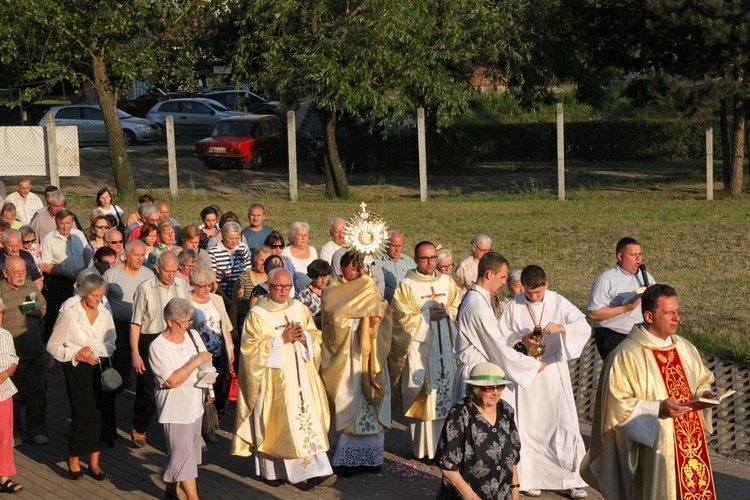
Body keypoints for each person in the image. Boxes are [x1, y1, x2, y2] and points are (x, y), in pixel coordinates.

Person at [581, 284, 718, 500]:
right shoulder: (625, 356)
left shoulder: (685, 348)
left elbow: (701, 379)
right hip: (654, 451)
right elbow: (616, 406)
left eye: (677, 311)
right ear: (649, 316)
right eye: (668, 313)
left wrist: (704, 394)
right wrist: (658, 408)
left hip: (692, 448)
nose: (677, 318)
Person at [231, 268, 336, 489]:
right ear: (268, 286)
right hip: (274, 380)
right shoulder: (257, 315)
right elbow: (249, 350)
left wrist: (304, 336)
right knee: (279, 426)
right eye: (278, 287)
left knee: (307, 422)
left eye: (287, 287)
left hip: (302, 377)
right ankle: (273, 472)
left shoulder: (299, 308)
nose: (283, 291)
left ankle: (316, 472)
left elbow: (316, 337)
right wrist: (280, 340)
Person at [497, 265, 590, 498]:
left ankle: (571, 479)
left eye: (537, 293)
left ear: (546, 284)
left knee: (563, 424)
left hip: (551, 368)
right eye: (529, 293)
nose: (533, 297)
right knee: (528, 425)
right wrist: (522, 337)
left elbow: (582, 325)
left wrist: (562, 327)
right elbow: (501, 336)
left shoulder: (558, 302)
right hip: (527, 370)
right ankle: (531, 478)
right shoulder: (515, 304)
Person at [320, 251, 395, 474]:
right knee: (347, 400)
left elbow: (382, 310)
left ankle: (371, 459)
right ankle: (345, 460)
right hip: (347, 355)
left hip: (369, 355)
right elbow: (333, 317)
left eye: (360, 266)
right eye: (353, 267)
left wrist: (372, 316)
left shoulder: (368, 286)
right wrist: (357, 314)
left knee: (371, 403)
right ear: (342, 269)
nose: (358, 271)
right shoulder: (332, 290)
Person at [390, 241, 461, 462]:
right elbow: (400, 320)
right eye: (424, 258)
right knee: (425, 396)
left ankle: (447, 446)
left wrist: (449, 311)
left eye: (432, 258)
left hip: (446, 349)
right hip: (422, 351)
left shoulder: (447, 282)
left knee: (447, 395)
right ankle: (425, 449)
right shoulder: (407, 286)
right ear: (416, 259)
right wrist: (427, 315)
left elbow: (460, 307)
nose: (430, 263)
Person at [46, 273, 116, 481]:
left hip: (100, 367)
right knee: (82, 413)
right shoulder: (71, 313)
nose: (98, 299)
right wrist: (76, 354)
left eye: (101, 295)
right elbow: (53, 345)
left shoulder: (105, 314)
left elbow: (111, 343)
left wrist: (92, 349)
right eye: (95, 295)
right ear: (84, 293)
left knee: (101, 413)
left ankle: (95, 461)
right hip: (76, 368)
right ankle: (74, 456)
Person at [451, 253, 541, 407]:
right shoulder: (478, 306)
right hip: (478, 375)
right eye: (502, 277)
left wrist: (520, 339)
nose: (503, 282)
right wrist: (532, 365)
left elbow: (490, 336)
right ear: (489, 274)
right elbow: (496, 348)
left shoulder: (478, 297)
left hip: (480, 370)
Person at [149, 298, 214, 500]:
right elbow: (171, 381)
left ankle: (171, 487)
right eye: (183, 322)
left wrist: (209, 381)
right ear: (170, 321)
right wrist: (195, 363)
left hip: (195, 403)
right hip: (175, 408)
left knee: (189, 450)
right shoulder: (158, 346)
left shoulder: (192, 335)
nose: (186, 326)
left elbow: (206, 362)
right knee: (183, 453)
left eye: (188, 321)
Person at [130, 251, 190, 448]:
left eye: (174, 271)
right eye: (167, 271)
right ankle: (139, 428)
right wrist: (136, 353)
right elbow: (136, 323)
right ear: (157, 268)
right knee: (147, 390)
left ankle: (175, 434)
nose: (171, 275)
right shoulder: (145, 288)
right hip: (151, 340)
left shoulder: (182, 286)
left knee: (178, 388)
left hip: (177, 339)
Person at [436, 363, 520, 500]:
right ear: (475, 389)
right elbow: (447, 465)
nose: (495, 392)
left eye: (500, 387)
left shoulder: (505, 410)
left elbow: (513, 459)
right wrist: (470, 496)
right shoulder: (459, 414)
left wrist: (515, 493)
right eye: (489, 388)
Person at [0, 256, 47, 446]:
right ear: (5, 273)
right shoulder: (1, 291)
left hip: (35, 349)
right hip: (12, 355)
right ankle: (15, 433)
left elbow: (42, 307)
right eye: (16, 272)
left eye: (23, 272)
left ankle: (36, 430)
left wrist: (38, 312)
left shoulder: (30, 286)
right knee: (14, 395)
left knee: (38, 392)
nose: (21, 275)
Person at [588, 237, 656, 360]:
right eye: (633, 255)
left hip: (640, 336)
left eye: (640, 254)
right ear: (620, 256)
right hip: (614, 337)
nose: (638, 259)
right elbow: (594, 313)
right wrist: (625, 308)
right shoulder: (605, 280)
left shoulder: (647, 277)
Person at [189, 264, 234, 442]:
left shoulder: (216, 299)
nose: (207, 289)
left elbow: (226, 327)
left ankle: (211, 425)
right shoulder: (187, 300)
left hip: (217, 352)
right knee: (201, 389)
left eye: (209, 285)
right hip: (197, 355)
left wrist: (230, 349)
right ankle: (200, 428)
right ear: (194, 284)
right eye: (202, 286)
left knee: (216, 390)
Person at [103, 240, 153, 382]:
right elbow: (102, 300)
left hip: (142, 326)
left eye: (142, 255)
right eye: (136, 255)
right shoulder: (111, 275)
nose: (140, 259)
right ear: (126, 255)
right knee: (121, 357)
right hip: (119, 325)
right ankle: (119, 383)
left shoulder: (149, 275)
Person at [41, 209, 88, 338]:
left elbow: (87, 253)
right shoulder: (49, 239)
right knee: (59, 311)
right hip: (60, 281)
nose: (65, 226)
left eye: (68, 223)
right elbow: (45, 265)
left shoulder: (79, 235)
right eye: (62, 223)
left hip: (81, 278)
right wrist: (65, 273)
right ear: (56, 222)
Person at [0, 298, 23, 493]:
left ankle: (4, 477)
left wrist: (6, 373)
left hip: (4, 391)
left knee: (5, 435)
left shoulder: (5, 335)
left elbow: (14, 360)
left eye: (0, 313)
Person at [232, 245, 272, 329]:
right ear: (255, 259)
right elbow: (235, 304)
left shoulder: (273, 279)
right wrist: (234, 329)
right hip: (247, 324)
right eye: (261, 260)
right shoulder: (244, 278)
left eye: (266, 260)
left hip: (267, 324)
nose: (263, 263)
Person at [209, 221, 251, 300]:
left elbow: (248, 272)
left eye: (236, 238)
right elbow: (213, 279)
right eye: (230, 238)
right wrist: (227, 301)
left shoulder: (243, 249)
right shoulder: (213, 252)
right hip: (222, 295)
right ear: (222, 236)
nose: (234, 241)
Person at [378, 230, 416, 303]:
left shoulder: (409, 262)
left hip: (407, 305)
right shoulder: (377, 262)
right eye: (394, 246)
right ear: (386, 244)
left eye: (400, 246)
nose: (397, 250)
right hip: (386, 306)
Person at [281, 221, 317, 290]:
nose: (303, 238)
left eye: (305, 235)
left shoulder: (313, 250)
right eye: (300, 235)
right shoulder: (285, 252)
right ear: (293, 236)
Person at [297, 259, 332, 329]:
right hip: (315, 331)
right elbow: (301, 317)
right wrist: (319, 319)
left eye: (326, 277)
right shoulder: (305, 295)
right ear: (313, 277)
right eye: (320, 278)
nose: (324, 281)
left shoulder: (331, 287)